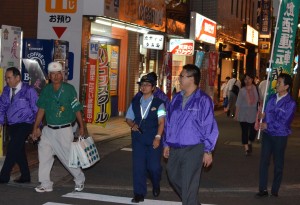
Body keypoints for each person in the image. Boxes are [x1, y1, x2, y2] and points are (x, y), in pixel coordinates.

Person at [163, 64, 219, 205]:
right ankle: (192, 201)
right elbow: (168, 122)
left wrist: (208, 150)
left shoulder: (203, 100)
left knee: (189, 183)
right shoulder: (176, 98)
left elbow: (210, 126)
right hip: (175, 147)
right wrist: (166, 143)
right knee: (172, 175)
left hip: (194, 148)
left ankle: (189, 200)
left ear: (191, 78)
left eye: (182, 76)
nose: (179, 79)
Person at [31, 62, 85, 193]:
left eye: (58, 73)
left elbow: (77, 108)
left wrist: (82, 127)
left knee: (66, 158)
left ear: (62, 75)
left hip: (64, 129)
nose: (55, 76)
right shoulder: (46, 90)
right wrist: (35, 128)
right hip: (48, 129)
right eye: (52, 74)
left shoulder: (69, 89)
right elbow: (41, 110)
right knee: (44, 156)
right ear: (49, 75)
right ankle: (45, 183)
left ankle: (79, 178)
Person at [125, 74, 166, 203]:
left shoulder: (159, 103)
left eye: (147, 85)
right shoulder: (135, 102)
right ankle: (139, 193)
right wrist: (133, 125)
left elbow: (161, 122)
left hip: (154, 138)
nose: (144, 87)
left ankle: (156, 182)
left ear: (153, 87)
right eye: (142, 85)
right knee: (138, 167)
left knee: (154, 167)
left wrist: (158, 138)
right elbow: (128, 119)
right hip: (138, 139)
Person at [256, 73, 296, 197]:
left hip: (280, 136)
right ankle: (262, 189)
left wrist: (268, 125)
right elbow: (266, 113)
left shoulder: (291, 103)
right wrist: (262, 116)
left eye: (279, 83)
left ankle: (275, 189)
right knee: (264, 162)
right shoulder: (272, 98)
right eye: (277, 82)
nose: (276, 84)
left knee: (278, 164)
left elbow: (284, 122)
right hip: (267, 135)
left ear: (286, 86)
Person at [0, 67, 38, 183]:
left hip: (26, 123)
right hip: (12, 124)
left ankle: (3, 176)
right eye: (6, 78)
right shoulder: (6, 90)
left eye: (9, 78)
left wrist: (37, 127)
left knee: (12, 147)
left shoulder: (29, 90)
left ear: (17, 78)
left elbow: (37, 109)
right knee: (19, 150)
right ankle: (26, 176)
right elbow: (1, 108)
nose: (7, 80)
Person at [235, 73, 259, 156]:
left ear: (252, 79)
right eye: (245, 79)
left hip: (253, 113)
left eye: (249, 78)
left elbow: (259, 100)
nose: (247, 80)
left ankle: (249, 141)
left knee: (254, 131)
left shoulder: (256, 89)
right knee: (244, 131)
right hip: (243, 113)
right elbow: (238, 103)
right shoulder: (242, 90)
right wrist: (236, 114)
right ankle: (246, 149)